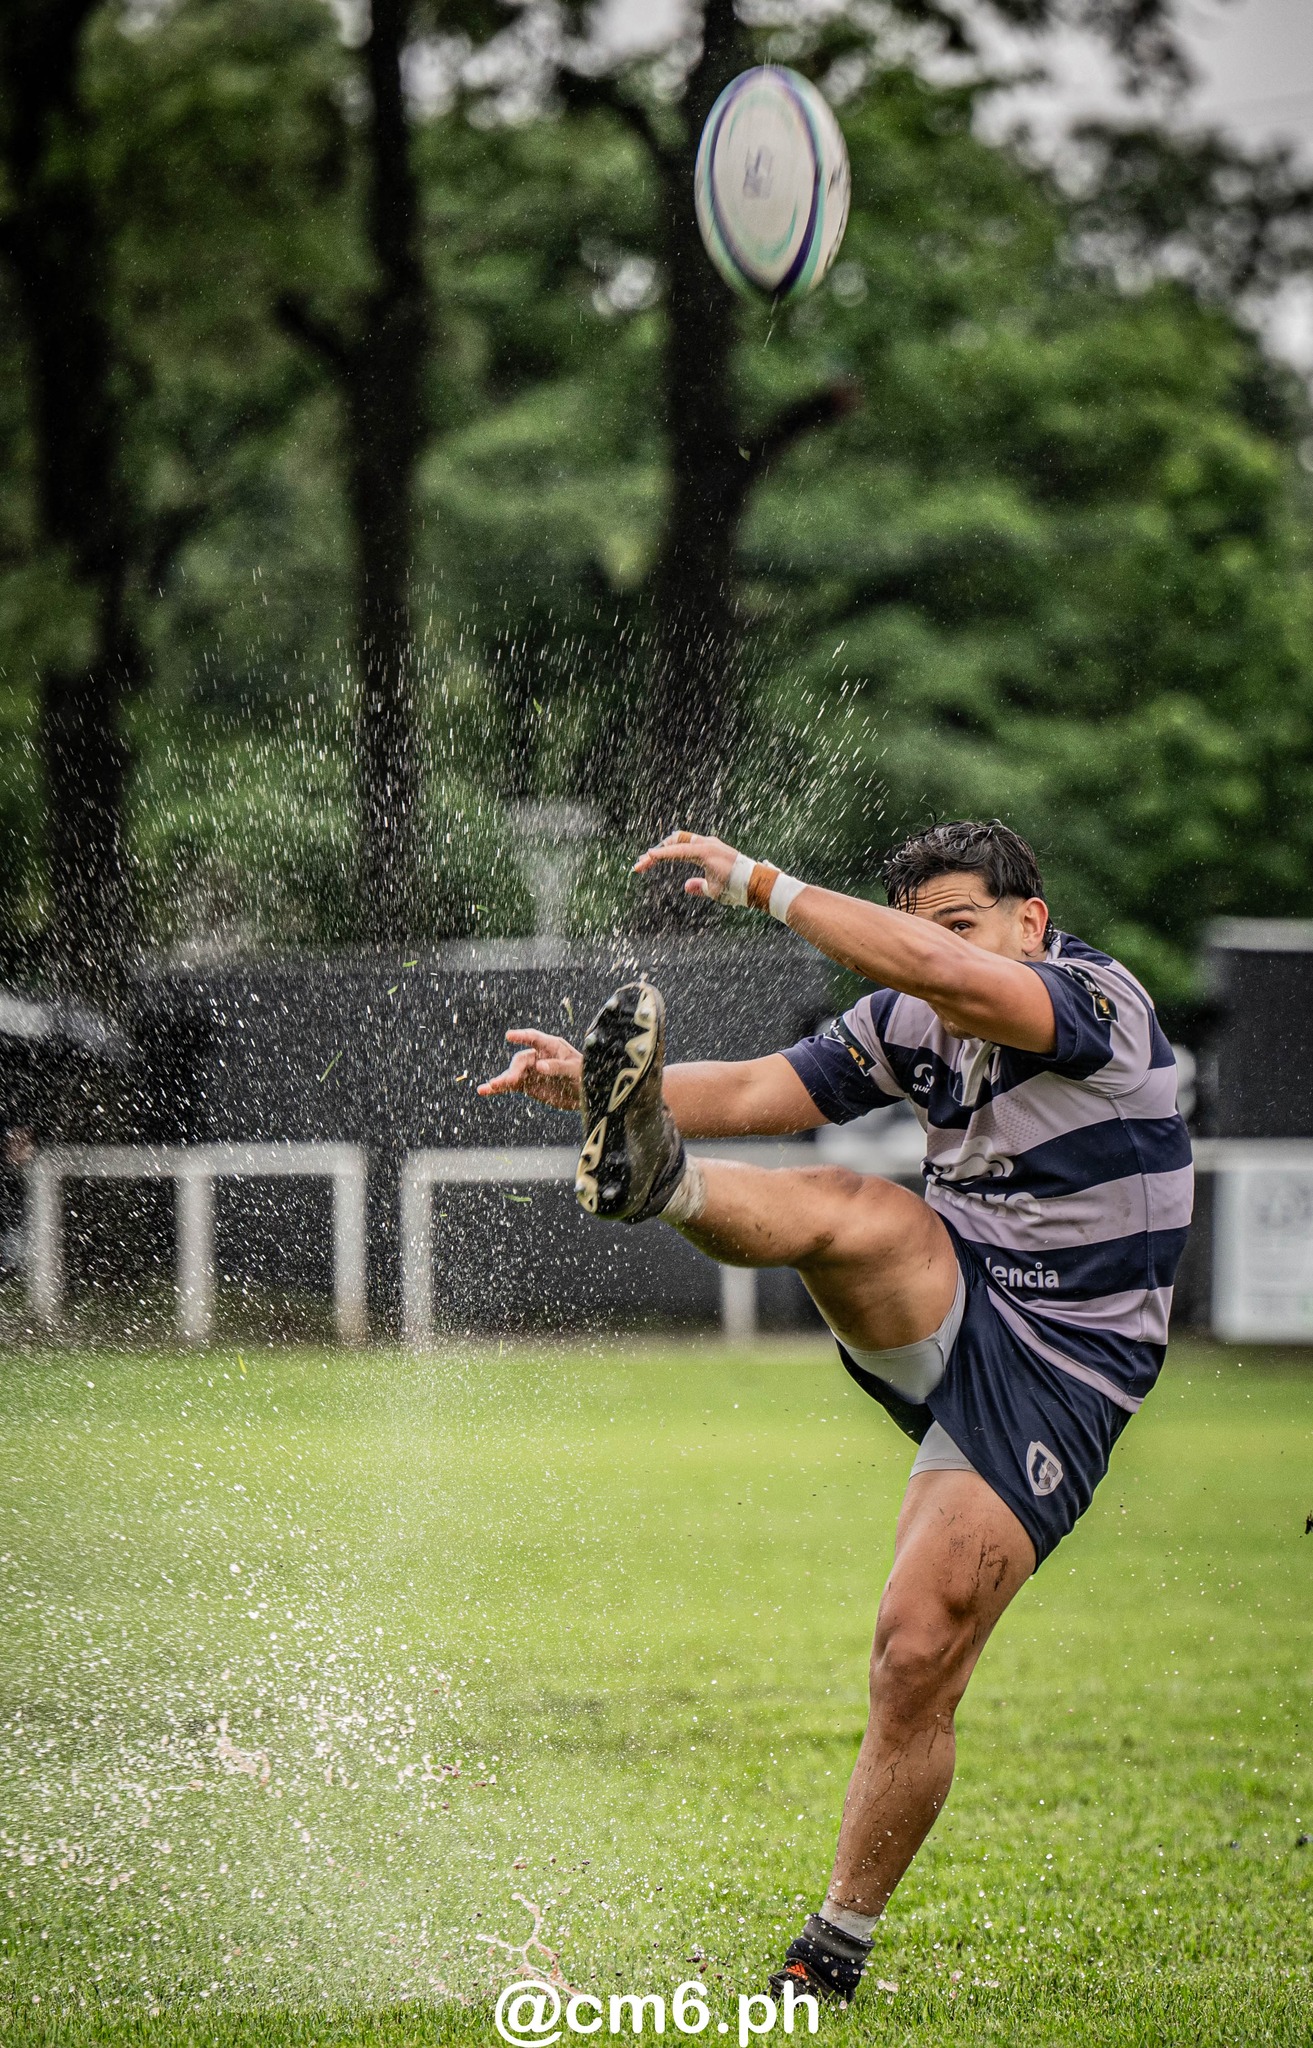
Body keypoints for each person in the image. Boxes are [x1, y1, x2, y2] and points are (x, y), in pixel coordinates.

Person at [478, 819, 1192, 2006]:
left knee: (918, 1644)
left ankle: (828, 1955)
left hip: (1068, 1365)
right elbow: (766, 1087)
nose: (930, 948)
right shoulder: (912, 1013)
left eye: (955, 921)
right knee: (856, 1206)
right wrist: (603, 1086)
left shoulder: (1090, 995)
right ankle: (662, 1174)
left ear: (1029, 918)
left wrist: (763, 882)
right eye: (913, 924)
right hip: (951, 1288)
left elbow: (948, 976)